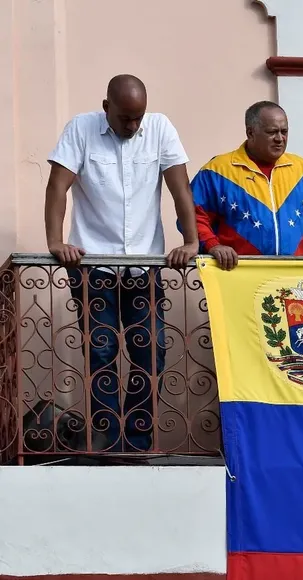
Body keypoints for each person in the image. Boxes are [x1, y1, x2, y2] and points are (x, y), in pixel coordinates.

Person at [44, 74, 200, 453]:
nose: (133, 126)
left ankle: (137, 439)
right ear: (106, 108)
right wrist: (55, 241)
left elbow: (180, 189)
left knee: (151, 350)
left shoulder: (160, 128)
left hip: (144, 267)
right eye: (125, 118)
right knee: (101, 352)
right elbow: (57, 187)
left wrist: (191, 241)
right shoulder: (81, 129)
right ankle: (108, 438)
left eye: (138, 118)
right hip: (92, 265)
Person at [187, 101, 303, 271]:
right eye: (272, 132)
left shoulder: (301, 169)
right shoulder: (217, 170)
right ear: (251, 133)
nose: (280, 139)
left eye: (284, 131)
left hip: (291, 276)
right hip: (236, 275)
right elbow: (192, 215)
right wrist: (213, 245)